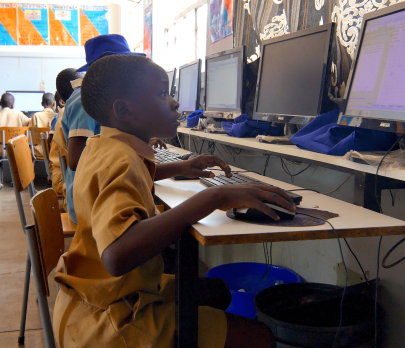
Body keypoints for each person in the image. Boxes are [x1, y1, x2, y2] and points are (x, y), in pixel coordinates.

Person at [53, 54, 296, 347]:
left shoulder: (101, 146)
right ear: (124, 111)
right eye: (162, 94)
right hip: (109, 320)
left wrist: (179, 167)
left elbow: (120, 179)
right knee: (258, 338)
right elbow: (117, 255)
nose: (175, 103)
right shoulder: (120, 161)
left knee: (217, 291)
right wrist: (214, 196)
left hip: (87, 300)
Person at [61, 34, 146, 224]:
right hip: (89, 200)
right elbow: (75, 160)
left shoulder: (104, 97)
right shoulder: (84, 101)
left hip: (98, 190)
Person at [49, 69, 84, 206]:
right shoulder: (79, 109)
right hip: (65, 180)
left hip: (61, 174)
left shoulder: (63, 112)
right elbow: (76, 161)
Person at [0, 93, 30, 187]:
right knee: (18, 160)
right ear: (12, 104)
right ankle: (16, 180)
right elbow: (30, 125)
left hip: (2, 150)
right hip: (17, 150)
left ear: (0, 103)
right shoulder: (19, 114)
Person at [29, 92, 57, 158]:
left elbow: (30, 137)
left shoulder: (35, 116)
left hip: (38, 151)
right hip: (53, 151)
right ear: (54, 104)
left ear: (42, 104)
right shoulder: (57, 116)